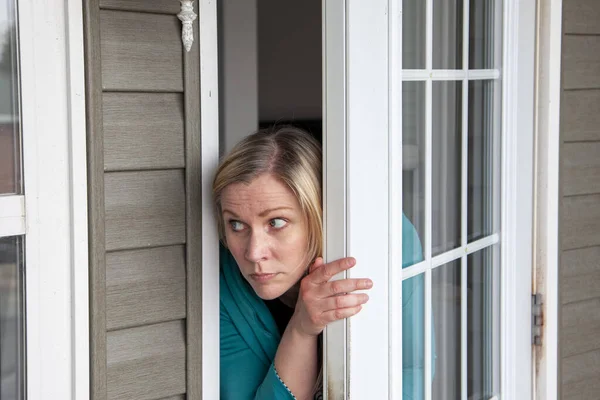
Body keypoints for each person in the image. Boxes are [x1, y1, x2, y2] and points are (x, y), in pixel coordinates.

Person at [214, 126, 426, 399]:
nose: (254, 253)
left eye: (276, 222)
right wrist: (302, 328)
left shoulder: (387, 241)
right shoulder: (222, 280)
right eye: (237, 224)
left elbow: (412, 369)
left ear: (319, 216)